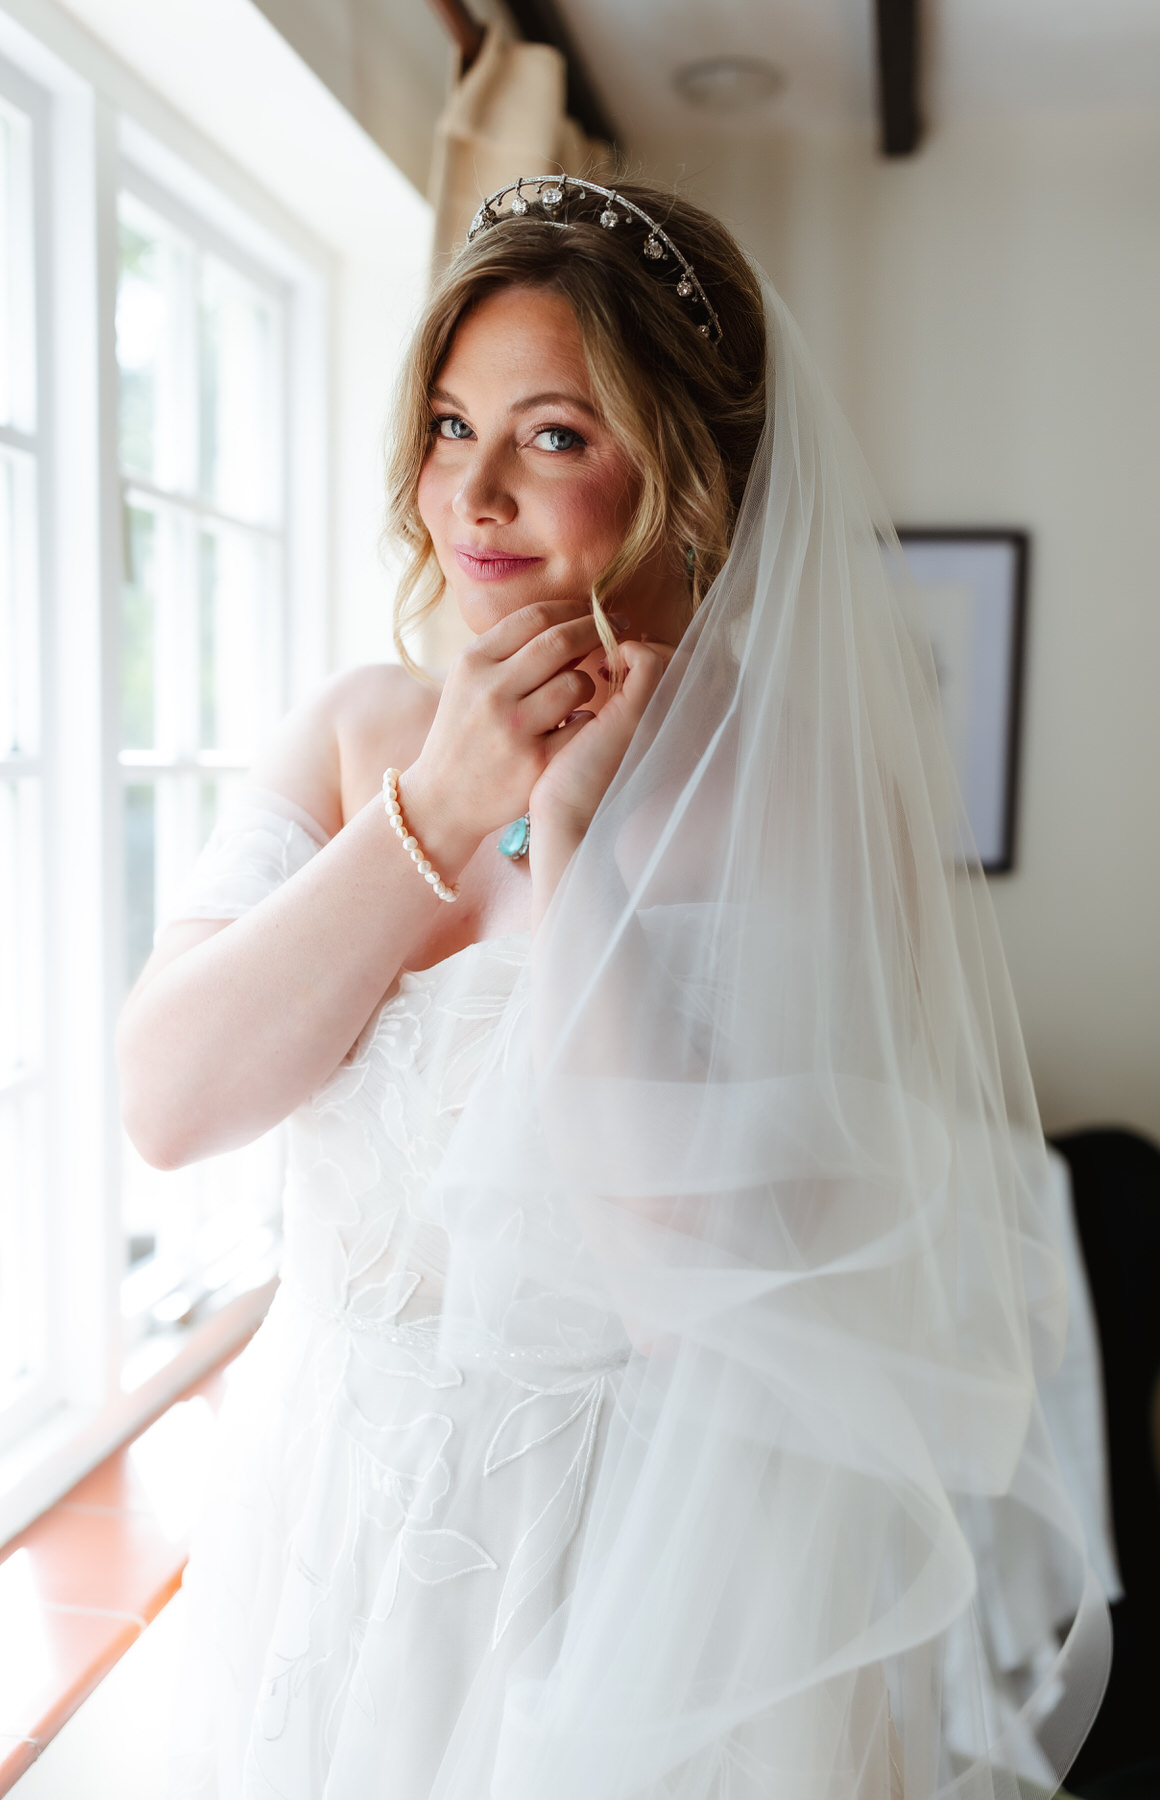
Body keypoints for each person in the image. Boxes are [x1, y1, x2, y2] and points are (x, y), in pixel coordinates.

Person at [118, 177, 1107, 1800]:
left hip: (624, 1608)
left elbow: (671, 1268)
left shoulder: (800, 799)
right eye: (449, 425)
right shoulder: (358, 731)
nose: (474, 494)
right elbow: (171, 1103)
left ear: (686, 474)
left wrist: (568, 829)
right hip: (322, 1559)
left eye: (553, 435)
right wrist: (434, 809)